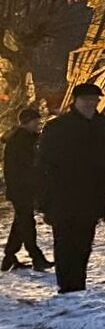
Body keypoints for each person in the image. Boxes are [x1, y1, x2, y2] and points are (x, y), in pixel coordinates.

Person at [38, 83, 105, 293]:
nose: (90, 104)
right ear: (76, 101)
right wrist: (43, 198)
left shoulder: (104, 126)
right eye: (86, 100)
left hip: (92, 195)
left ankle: (78, 283)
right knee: (64, 241)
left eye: (94, 100)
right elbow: (43, 165)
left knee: (84, 242)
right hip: (63, 195)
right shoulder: (58, 127)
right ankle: (66, 284)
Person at [2, 108, 53, 272]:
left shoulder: (24, 139)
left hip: (21, 189)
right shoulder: (20, 141)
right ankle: (36, 257)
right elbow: (27, 167)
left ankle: (9, 257)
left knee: (21, 223)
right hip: (21, 189)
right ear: (27, 122)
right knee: (27, 224)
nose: (38, 125)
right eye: (36, 122)